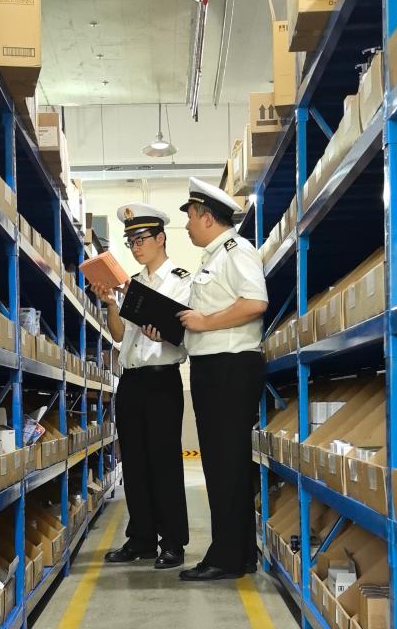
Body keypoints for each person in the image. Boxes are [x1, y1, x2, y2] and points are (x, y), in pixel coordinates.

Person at [89, 203, 192, 570]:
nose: (135, 247)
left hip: (162, 379)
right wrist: (110, 303)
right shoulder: (132, 284)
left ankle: (173, 542)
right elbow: (119, 336)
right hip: (131, 381)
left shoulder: (182, 280)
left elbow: (183, 334)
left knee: (164, 462)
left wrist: (162, 331)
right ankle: (142, 539)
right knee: (133, 461)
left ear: (161, 238)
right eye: (130, 241)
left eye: (141, 239)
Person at [176, 178, 268, 581]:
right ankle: (239, 553)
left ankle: (225, 558)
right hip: (214, 366)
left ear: (207, 217)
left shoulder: (236, 250)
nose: (187, 225)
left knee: (224, 463)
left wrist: (205, 322)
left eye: (190, 217)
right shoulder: (212, 258)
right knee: (222, 463)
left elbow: (256, 301)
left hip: (229, 366)